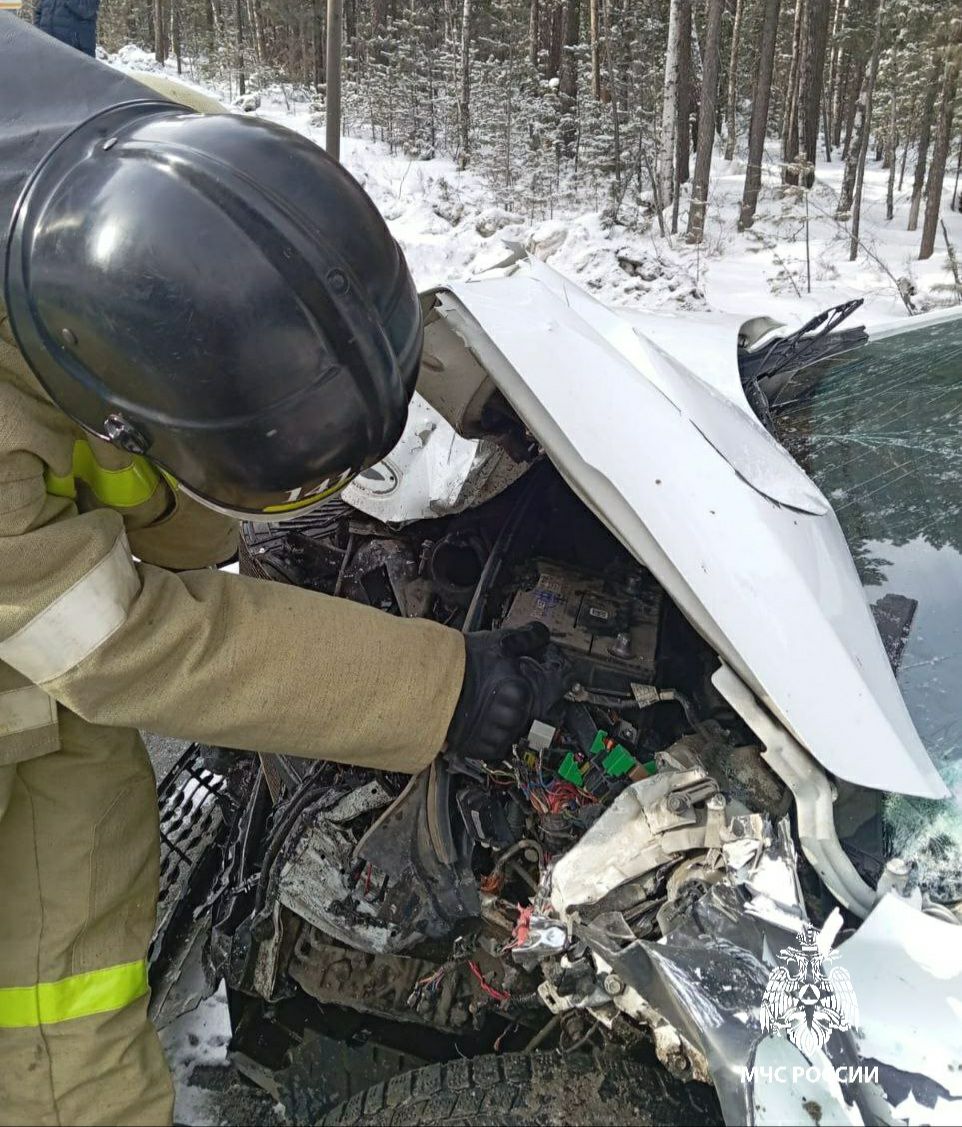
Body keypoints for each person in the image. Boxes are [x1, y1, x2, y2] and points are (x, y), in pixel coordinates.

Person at [0, 74, 567, 1127]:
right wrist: (437, 684)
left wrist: (495, 408)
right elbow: (118, 640)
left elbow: (314, 277)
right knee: (42, 1009)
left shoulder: (172, 166)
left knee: (69, 980)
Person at [33, 0, 100, 56]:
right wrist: (39, 33)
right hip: (46, 48)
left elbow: (87, 9)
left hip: (75, 51)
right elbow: (38, 11)